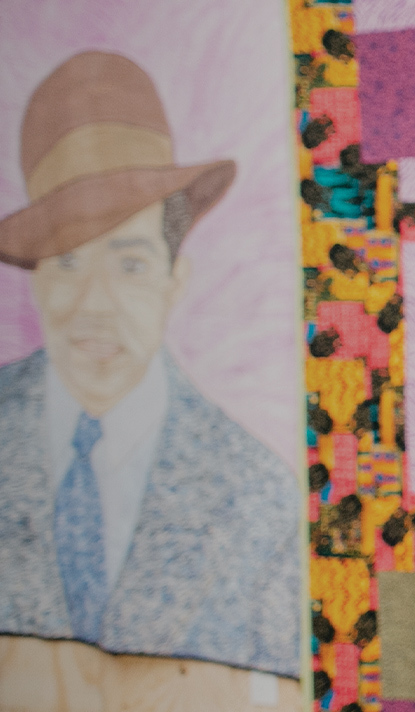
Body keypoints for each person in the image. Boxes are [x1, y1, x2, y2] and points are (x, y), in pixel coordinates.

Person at [0, 52, 298, 675]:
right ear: (34, 282)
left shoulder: (261, 497)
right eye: (68, 263)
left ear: (173, 279)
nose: (95, 306)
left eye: (130, 264)